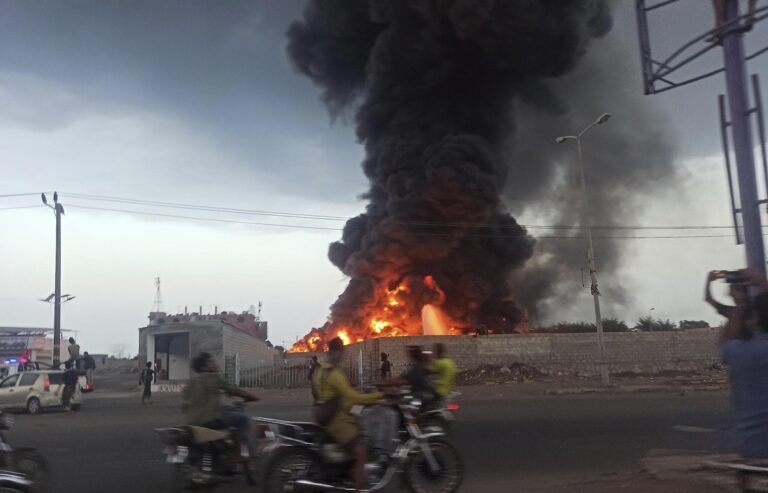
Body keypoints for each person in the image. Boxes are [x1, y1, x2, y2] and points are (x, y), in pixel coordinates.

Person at [313, 337, 385, 492]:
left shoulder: (320, 370)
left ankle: (347, 471)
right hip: (336, 420)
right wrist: (379, 395)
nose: (342, 355)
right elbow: (353, 397)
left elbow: (325, 394)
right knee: (361, 451)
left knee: (358, 420)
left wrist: (351, 390)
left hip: (323, 414)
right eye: (340, 352)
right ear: (334, 352)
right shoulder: (335, 374)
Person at [718, 268, 768, 457]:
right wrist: (763, 283)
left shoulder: (739, 353)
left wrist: (739, 305)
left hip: (752, 449)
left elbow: (726, 343)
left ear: (755, 321)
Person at [182, 352, 259, 457]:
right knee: (244, 420)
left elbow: (185, 407)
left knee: (227, 411)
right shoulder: (214, 377)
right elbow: (234, 390)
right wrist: (251, 396)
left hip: (192, 422)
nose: (215, 363)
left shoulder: (190, 383)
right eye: (211, 362)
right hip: (211, 420)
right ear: (204, 367)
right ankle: (247, 456)